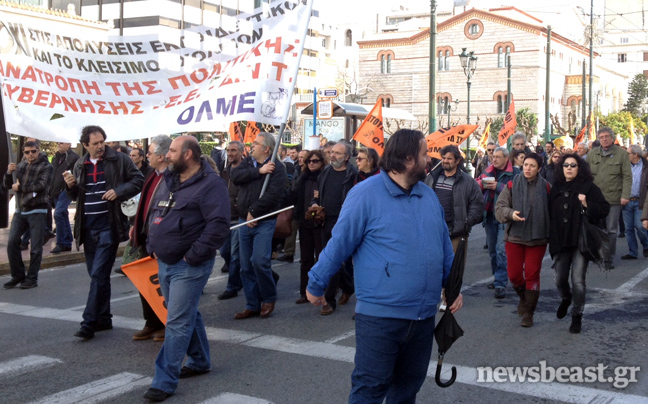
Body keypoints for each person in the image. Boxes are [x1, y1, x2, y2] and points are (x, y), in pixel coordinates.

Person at [307, 129, 461, 403]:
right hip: (381, 319)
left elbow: (444, 248)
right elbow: (339, 243)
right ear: (407, 158)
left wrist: (453, 286)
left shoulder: (428, 196)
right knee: (370, 388)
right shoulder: (364, 195)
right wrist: (316, 282)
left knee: (407, 390)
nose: (429, 159)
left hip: (423, 318)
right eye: (425, 154)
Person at [143, 136, 230, 402]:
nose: (166, 155)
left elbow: (218, 225)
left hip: (188, 266)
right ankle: (201, 361)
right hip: (165, 261)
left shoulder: (210, 184)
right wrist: (151, 243)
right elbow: (155, 213)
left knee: (177, 321)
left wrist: (192, 256)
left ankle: (164, 380)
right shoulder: (169, 179)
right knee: (185, 313)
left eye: (172, 151)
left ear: (189, 154)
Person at [64, 126, 144, 340]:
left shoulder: (119, 160)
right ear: (85, 145)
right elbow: (77, 195)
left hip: (109, 225)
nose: (100, 146)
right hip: (87, 227)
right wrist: (70, 186)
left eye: (102, 142)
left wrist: (118, 191)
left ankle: (88, 323)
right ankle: (104, 318)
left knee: (99, 275)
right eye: (96, 143)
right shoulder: (80, 164)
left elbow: (138, 181)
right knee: (97, 276)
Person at [550, 154, 609, 334]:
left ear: (579, 168)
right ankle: (566, 298)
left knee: (578, 280)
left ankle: (577, 315)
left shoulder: (588, 187)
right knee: (560, 279)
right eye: (566, 165)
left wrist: (586, 203)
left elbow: (604, 209)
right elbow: (549, 212)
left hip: (580, 241)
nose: (568, 168)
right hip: (560, 240)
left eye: (573, 165)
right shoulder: (556, 187)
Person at [231, 133, 287, 320]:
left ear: (266, 149)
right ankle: (252, 304)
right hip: (244, 221)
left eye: (256, 143)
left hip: (263, 221)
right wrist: (258, 172)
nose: (251, 146)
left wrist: (254, 211)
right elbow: (235, 176)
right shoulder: (248, 163)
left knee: (260, 261)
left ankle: (269, 297)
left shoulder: (277, 168)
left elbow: (274, 195)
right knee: (245, 265)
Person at [495, 153, 550, 327]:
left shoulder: (547, 187)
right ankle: (523, 298)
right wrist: (511, 214)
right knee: (514, 275)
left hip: (538, 238)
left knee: (533, 275)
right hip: (515, 237)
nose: (527, 168)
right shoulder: (511, 185)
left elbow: (555, 211)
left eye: (532, 166)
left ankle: (529, 312)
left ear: (539, 169)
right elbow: (500, 207)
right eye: (525, 164)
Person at [128, 135, 172, 342]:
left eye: (151, 152)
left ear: (162, 156)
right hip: (146, 236)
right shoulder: (151, 174)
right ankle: (151, 322)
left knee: (163, 284)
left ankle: (166, 322)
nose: (147, 156)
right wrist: (136, 227)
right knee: (147, 282)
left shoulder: (172, 177)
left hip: (161, 239)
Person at [309, 142, 358, 315]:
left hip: (343, 222)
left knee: (334, 259)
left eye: (337, 153)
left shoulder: (353, 175)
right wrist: (314, 204)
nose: (333, 156)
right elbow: (317, 194)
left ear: (346, 157)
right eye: (332, 153)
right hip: (325, 221)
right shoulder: (325, 172)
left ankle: (329, 300)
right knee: (329, 257)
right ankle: (348, 286)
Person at [3, 141, 53, 290]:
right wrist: (8, 173)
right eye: (27, 152)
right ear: (24, 153)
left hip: (38, 209)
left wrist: (21, 187)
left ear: (38, 151)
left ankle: (32, 278)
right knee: (12, 242)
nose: (30, 154)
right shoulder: (21, 165)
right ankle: (17, 275)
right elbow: (7, 186)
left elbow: (41, 185)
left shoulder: (46, 166)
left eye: (33, 151)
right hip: (21, 210)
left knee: (36, 247)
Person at [477, 146, 520, 298]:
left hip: (505, 216)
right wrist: (482, 184)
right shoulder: (488, 171)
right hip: (489, 215)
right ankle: (497, 277)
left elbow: (517, 191)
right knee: (492, 250)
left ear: (506, 158)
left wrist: (498, 187)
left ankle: (500, 283)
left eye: (497, 157)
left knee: (501, 249)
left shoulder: (515, 173)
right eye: (493, 156)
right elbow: (476, 185)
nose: (494, 159)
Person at [587, 127, 632, 270]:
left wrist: (625, 195)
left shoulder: (622, 154)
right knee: (596, 228)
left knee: (612, 230)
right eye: (601, 137)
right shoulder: (592, 154)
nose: (604, 139)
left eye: (607, 136)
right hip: (595, 200)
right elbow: (585, 176)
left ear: (612, 138)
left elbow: (627, 176)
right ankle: (598, 253)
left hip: (613, 198)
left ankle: (608, 257)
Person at [289, 150, 325, 304]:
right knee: (306, 260)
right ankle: (305, 292)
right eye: (309, 161)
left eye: (315, 161)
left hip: (320, 224)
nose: (311, 163)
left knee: (322, 259)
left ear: (322, 162)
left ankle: (325, 291)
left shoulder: (325, 178)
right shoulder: (303, 178)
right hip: (305, 223)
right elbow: (293, 195)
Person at [217, 141, 245, 300]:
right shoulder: (224, 171)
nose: (230, 153)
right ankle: (269, 275)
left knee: (235, 255)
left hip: (238, 218)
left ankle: (232, 286)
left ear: (241, 152)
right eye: (228, 150)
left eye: (233, 150)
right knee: (224, 251)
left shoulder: (245, 170)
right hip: (224, 218)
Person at [49, 142, 80, 254]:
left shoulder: (74, 158)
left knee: (58, 213)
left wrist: (71, 184)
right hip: (56, 189)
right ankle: (66, 242)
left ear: (68, 144)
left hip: (66, 189)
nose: (58, 144)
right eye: (58, 142)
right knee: (62, 214)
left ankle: (62, 242)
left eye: (61, 142)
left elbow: (77, 174)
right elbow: (53, 175)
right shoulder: (56, 157)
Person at [620, 145, 648, 260]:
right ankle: (633, 252)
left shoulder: (646, 166)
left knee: (639, 225)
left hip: (640, 201)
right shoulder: (624, 166)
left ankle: (646, 245)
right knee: (628, 229)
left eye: (628, 153)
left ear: (635, 155)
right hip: (627, 201)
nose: (626, 156)